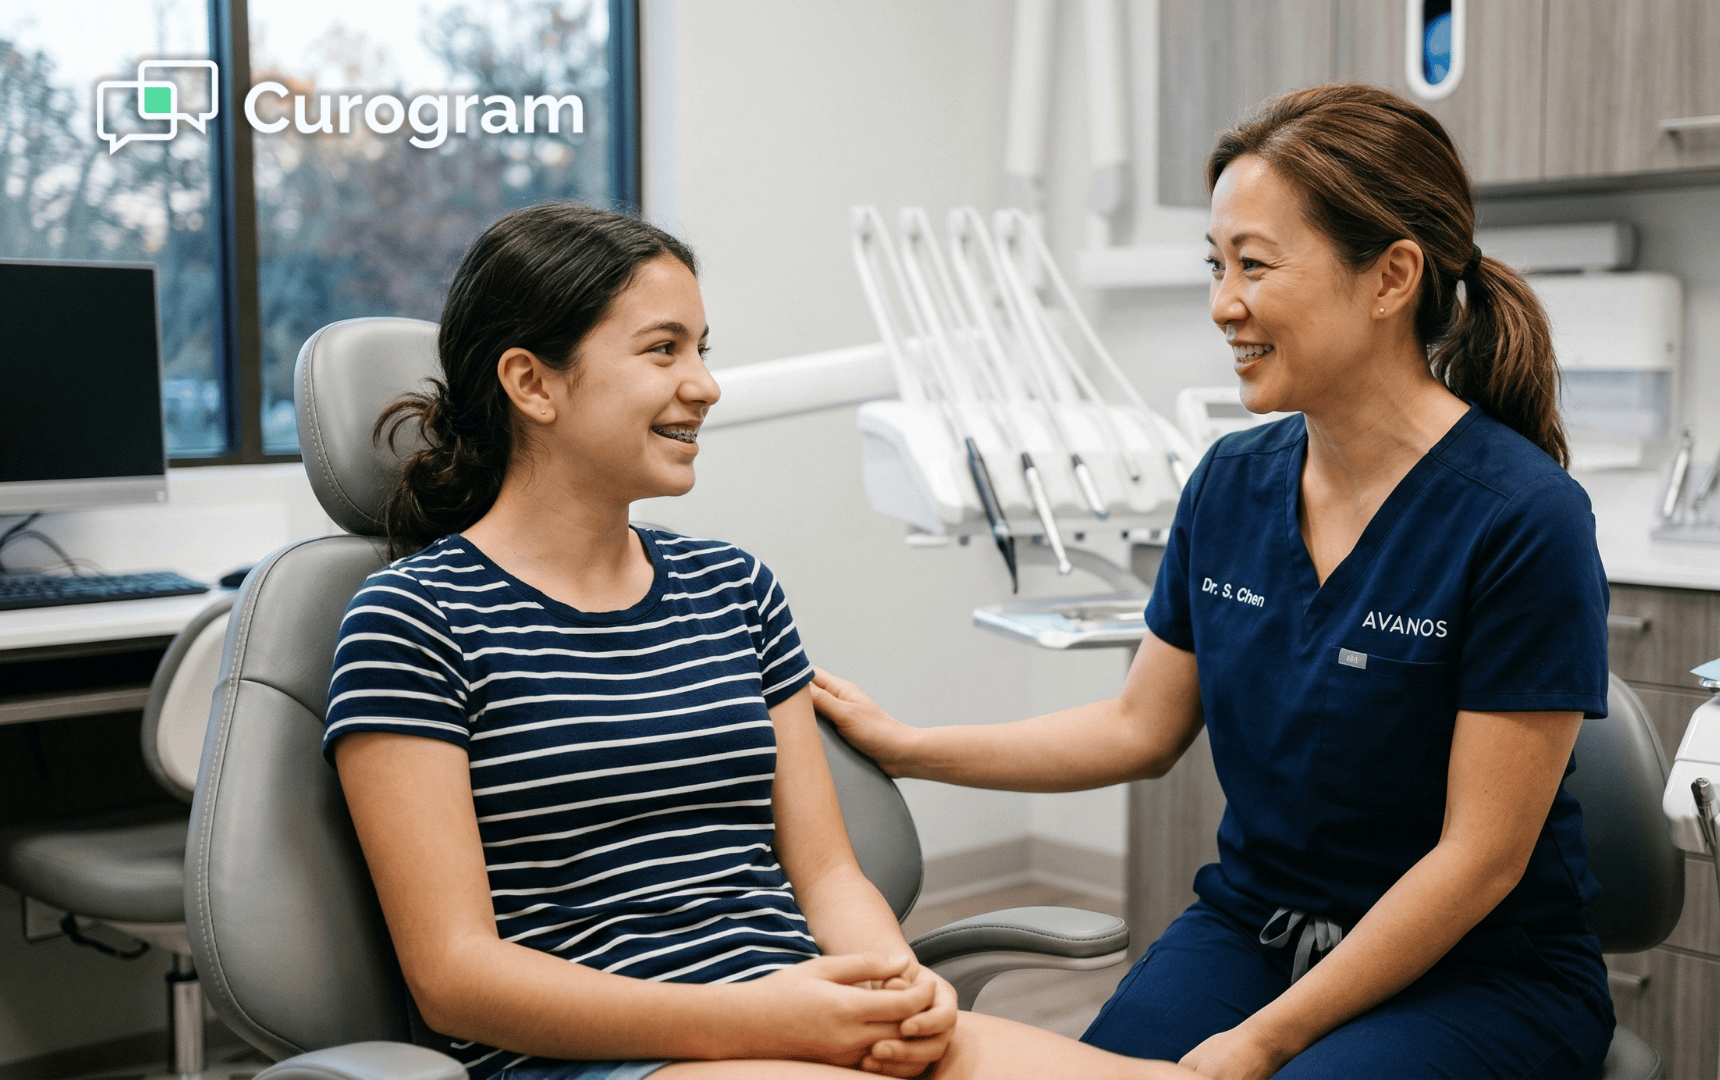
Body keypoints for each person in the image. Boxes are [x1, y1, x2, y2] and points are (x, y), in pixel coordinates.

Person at [811, 84, 1616, 1080]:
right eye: (1215, 265)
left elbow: (1479, 861)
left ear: (1391, 276)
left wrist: (1266, 1039)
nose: (1222, 303)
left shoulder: (1520, 517)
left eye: (1255, 266)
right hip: (1256, 928)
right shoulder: (1232, 483)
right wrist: (913, 746)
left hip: (1480, 971)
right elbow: (1137, 730)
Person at [323, 203, 1196, 1080]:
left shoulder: (733, 589)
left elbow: (827, 876)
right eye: (664, 349)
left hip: (800, 1012)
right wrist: (756, 1020)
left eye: (704, 349)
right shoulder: (413, 621)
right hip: (609, 1058)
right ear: (533, 383)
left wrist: (893, 987)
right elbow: (455, 978)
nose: (704, 384)